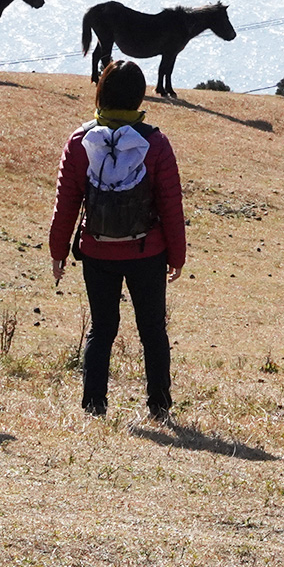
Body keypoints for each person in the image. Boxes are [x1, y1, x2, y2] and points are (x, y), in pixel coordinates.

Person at [49, 60, 185, 419]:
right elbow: (171, 203)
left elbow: (66, 203)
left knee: (102, 327)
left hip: (97, 251)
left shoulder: (80, 141)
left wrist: (58, 252)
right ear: (139, 96)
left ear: (101, 92)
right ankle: (159, 405)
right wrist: (177, 255)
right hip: (147, 251)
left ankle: (94, 404)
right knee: (152, 329)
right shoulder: (155, 143)